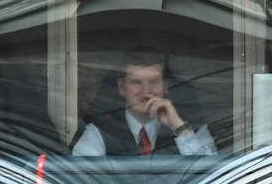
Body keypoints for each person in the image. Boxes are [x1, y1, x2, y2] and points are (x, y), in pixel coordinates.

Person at [71, 52, 216, 157]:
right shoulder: (99, 132)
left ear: (165, 86)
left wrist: (179, 127)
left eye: (154, 82)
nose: (146, 91)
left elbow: (211, 179)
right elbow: (81, 183)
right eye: (136, 82)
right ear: (121, 87)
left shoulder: (192, 128)